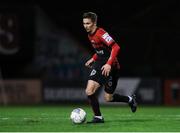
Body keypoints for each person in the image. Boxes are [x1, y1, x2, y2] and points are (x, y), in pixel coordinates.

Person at [83, 12, 137, 123]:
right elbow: (100, 51)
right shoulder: (89, 35)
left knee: (108, 98)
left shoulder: (101, 33)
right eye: (84, 23)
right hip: (100, 63)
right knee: (89, 91)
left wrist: (108, 63)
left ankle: (129, 99)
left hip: (112, 66)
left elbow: (116, 47)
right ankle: (98, 117)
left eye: (88, 23)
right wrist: (93, 59)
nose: (85, 26)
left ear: (94, 23)